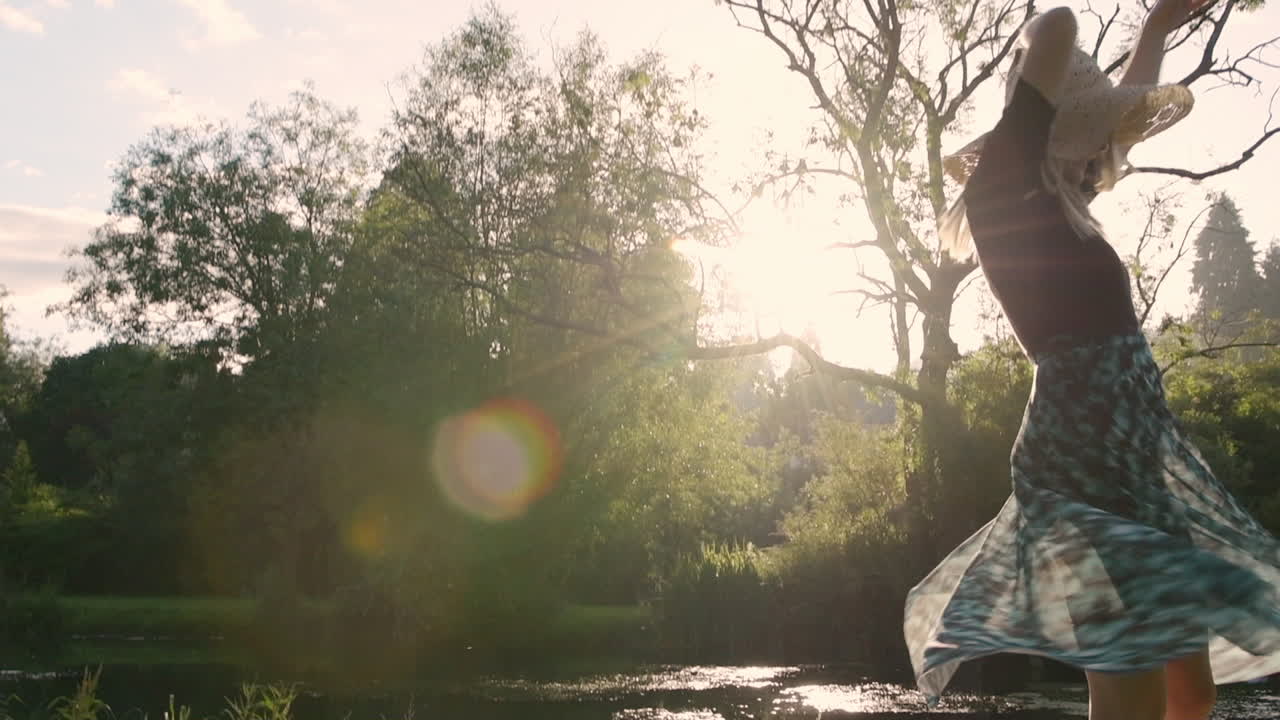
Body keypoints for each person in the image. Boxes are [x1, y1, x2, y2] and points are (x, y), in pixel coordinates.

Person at [904, 2, 1280, 719]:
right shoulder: (1004, 185)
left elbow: (1117, 115)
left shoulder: (1064, 196)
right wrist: (1038, 73)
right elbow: (1055, 27)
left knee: (1188, 695)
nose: (1100, 151)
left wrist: (1157, 31)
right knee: (1128, 690)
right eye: (1084, 126)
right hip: (1081, 458)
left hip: (1137, 452)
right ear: (1043, 118)